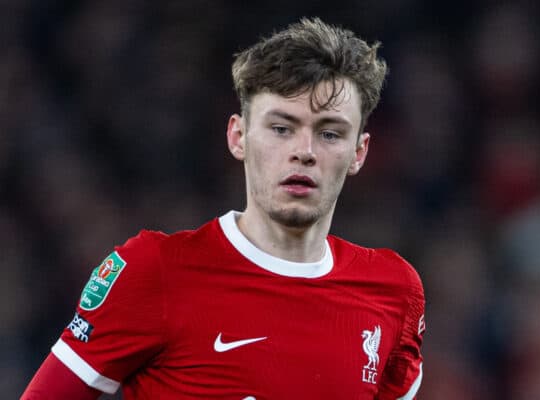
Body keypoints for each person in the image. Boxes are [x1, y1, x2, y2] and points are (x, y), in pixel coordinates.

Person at [21, 17, 425, 399]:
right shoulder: (154, 272)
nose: (304, 152)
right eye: (281, 128)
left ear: (359, 152)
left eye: (330, 133)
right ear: (238, 137)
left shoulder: (394, 293)